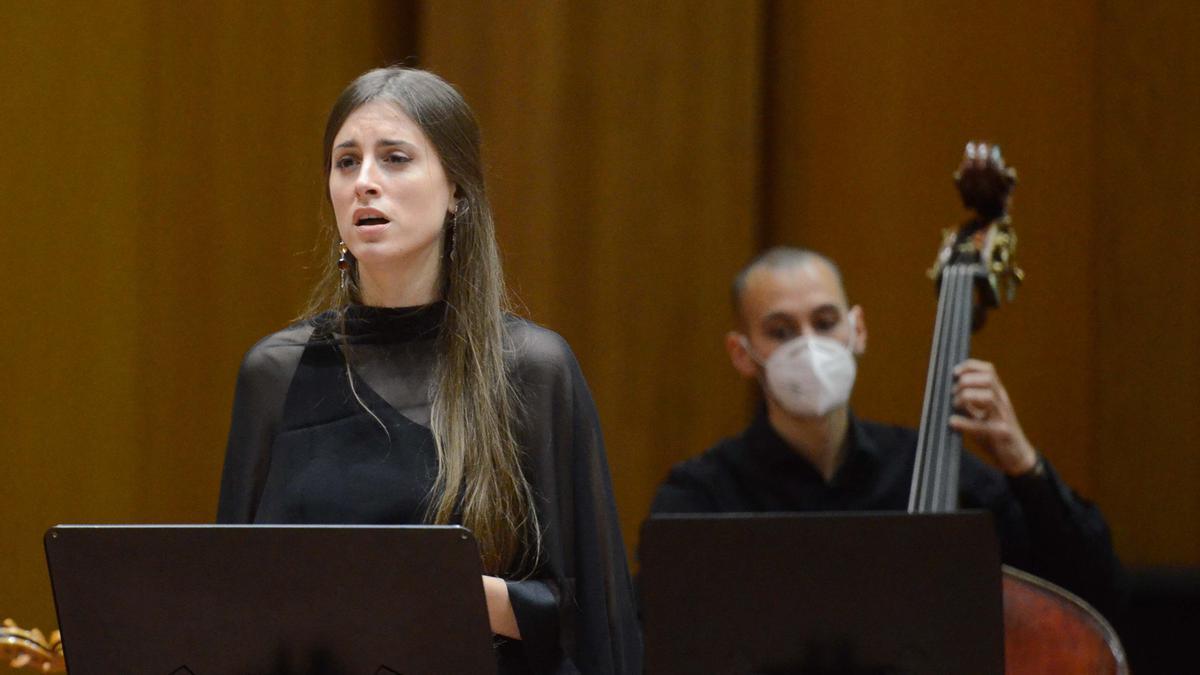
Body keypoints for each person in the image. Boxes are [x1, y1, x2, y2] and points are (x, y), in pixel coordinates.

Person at [217, 66, 641, 675]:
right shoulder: (274, 373)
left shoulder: (531, 368)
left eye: (394, 159)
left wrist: (409, 586)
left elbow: (591, 620)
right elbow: (227, 603)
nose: (365, 182)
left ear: (457, 192)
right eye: (346, 162)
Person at [650, 246, 1124, 619]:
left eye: (825, 322)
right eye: (781, 331)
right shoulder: (699, 499)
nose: (810, 345)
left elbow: (1092, 587)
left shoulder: (933, 468)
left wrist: (1024, 463)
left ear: (857, 330)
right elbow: (655, 635)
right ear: (741, 353)